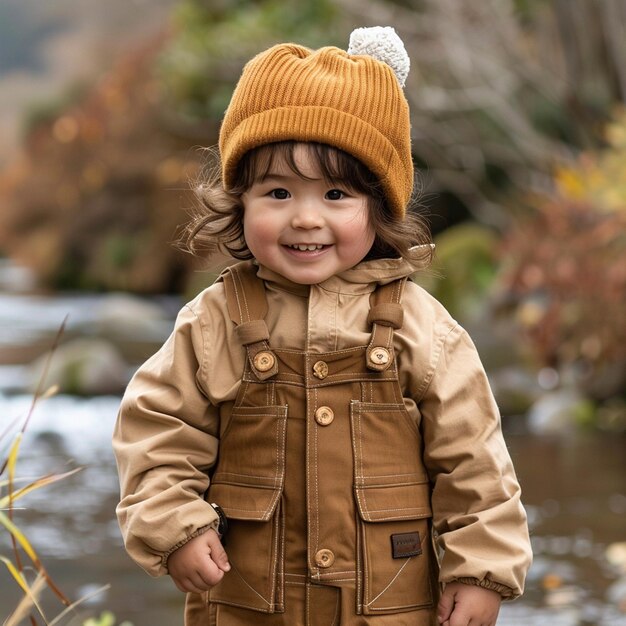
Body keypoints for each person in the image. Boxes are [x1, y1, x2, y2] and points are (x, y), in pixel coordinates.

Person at [113, 26, 532, 626]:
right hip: (248, 609)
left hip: (390, 611)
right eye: (278, 192)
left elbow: (475, 464)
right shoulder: (217, 320)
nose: (306, 218)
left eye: (336, 194)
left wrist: (481, 570)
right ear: (241, 202)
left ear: (380, 206)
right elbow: (157, 430)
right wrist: (173, 525)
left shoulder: (421, 328)